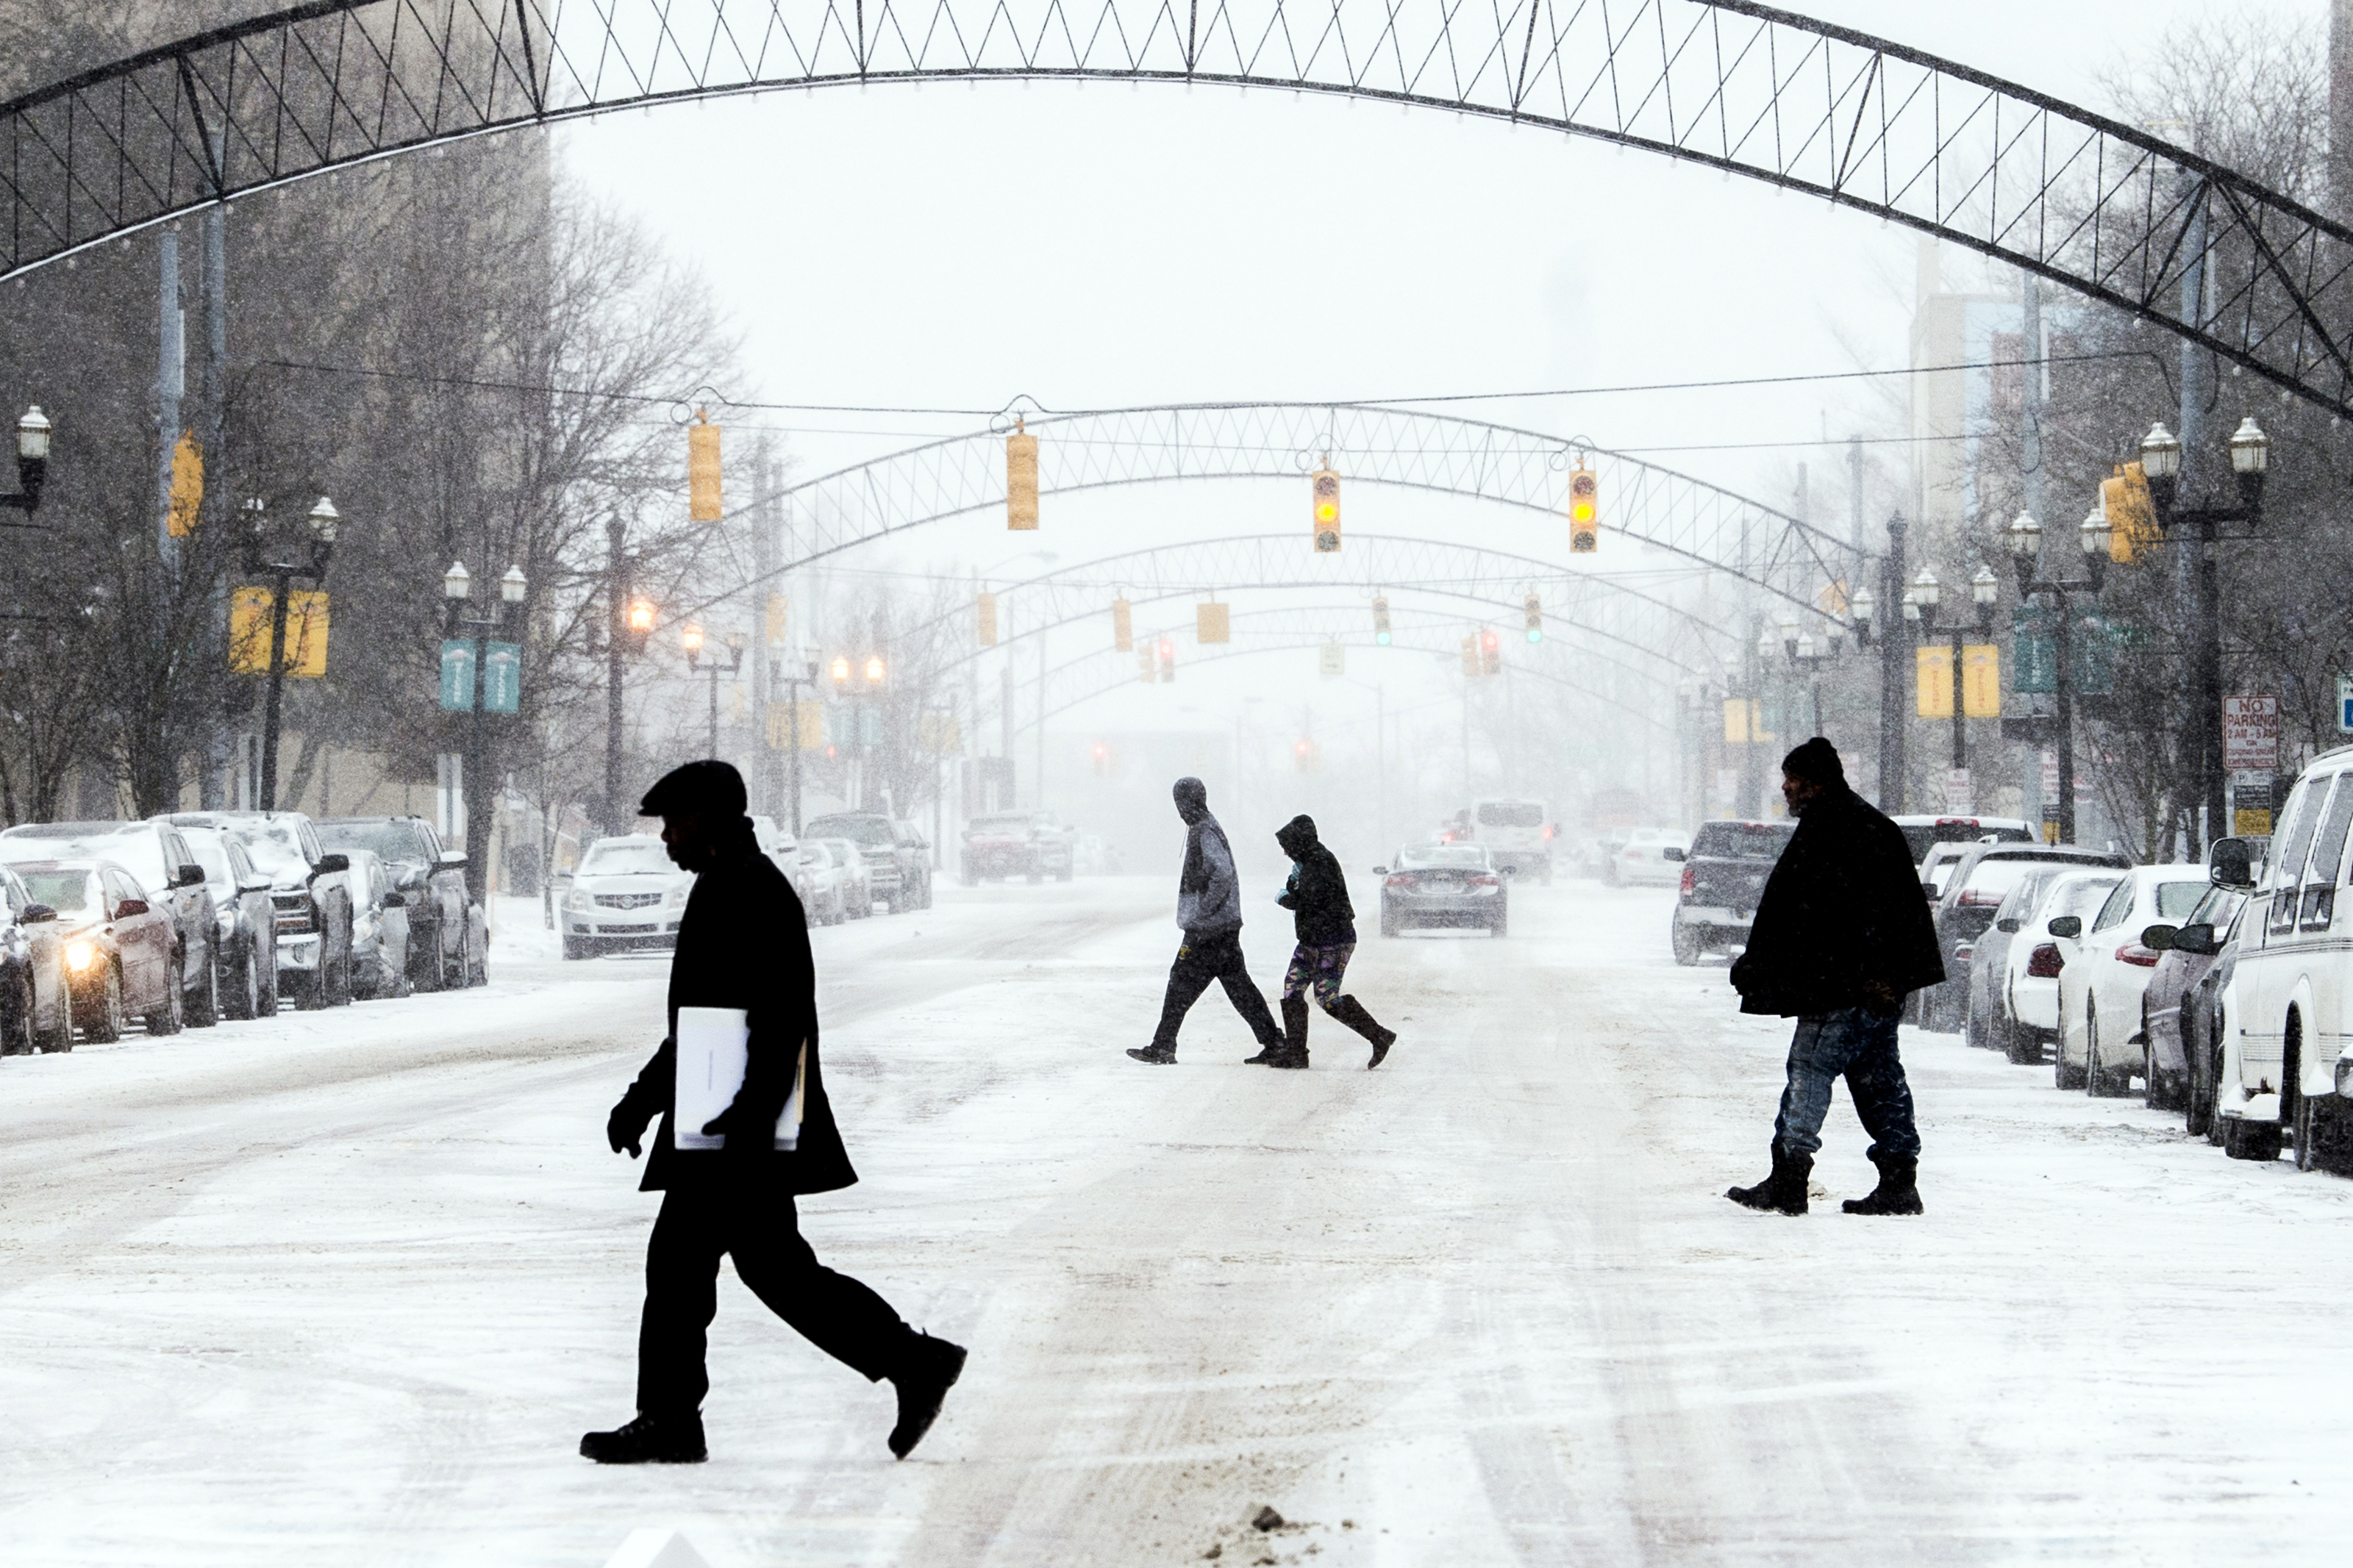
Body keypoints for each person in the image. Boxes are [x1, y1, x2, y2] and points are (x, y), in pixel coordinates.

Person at [584, 760, 966, 1464]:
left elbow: (782, 1021)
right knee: (770, 1269)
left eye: (676, 821)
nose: (666, 837)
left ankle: (672, 1417)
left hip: (739, 1128)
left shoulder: (754, 894)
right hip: (725, 1121)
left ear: (713, 819)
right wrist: (640, 1103)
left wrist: (747, 1120)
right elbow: (699, 1024)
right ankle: (912, 1360)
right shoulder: (724, 887)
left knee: (684, 1266)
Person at [1725, 738, 1943, 1217]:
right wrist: (1888, 976)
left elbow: (1807, 913)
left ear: (1816, 781)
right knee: (1879, 1077)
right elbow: (1895, 912)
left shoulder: (1833, 831)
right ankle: (1899, 1180)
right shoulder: (1870, 826)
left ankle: (1790, 1175)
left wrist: (1765, 964)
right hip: (1876, 985)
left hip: (1844, 985)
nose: (1786, 786)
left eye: (1793, 779)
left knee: (1810, 1067)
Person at [1128, 777, 1285, 1066]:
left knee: (1180, 983)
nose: (1179, 809)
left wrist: (1204, 909)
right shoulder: (1204, 827)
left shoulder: (1204, 830)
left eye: (1180, 803)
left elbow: (1222, 873)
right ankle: (1274, 1042)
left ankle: (1163, 1045)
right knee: (1239, 987)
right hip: (1220, 927)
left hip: (1209, 929)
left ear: (1189, 802)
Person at [1265, 814, 1399, 1070]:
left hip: (1334, 940)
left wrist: (1285, 897)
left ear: (1298, 843)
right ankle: (1296, 1053)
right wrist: (1293, 883)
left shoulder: (1319, 862)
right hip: (1312, 940)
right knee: (1292, 990)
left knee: (1326, 997)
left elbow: (1308, 901)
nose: (1284, 852)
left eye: (1287, 846)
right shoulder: (1307, 862)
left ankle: (1379, 1036)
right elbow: (1301, 894)